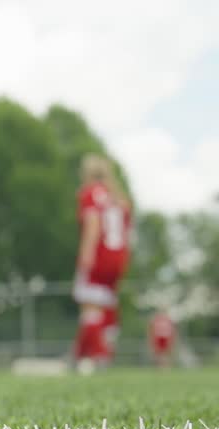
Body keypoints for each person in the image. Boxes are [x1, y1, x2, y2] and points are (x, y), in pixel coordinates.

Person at [72, 154, 132, 374]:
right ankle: (97, 353)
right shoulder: (118, 197)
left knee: (89, 307)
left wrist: (86, 254)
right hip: (119, 256)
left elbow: (93, 224)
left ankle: (94, 356)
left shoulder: (90, 194)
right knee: (106, 307)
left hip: (100, 254)